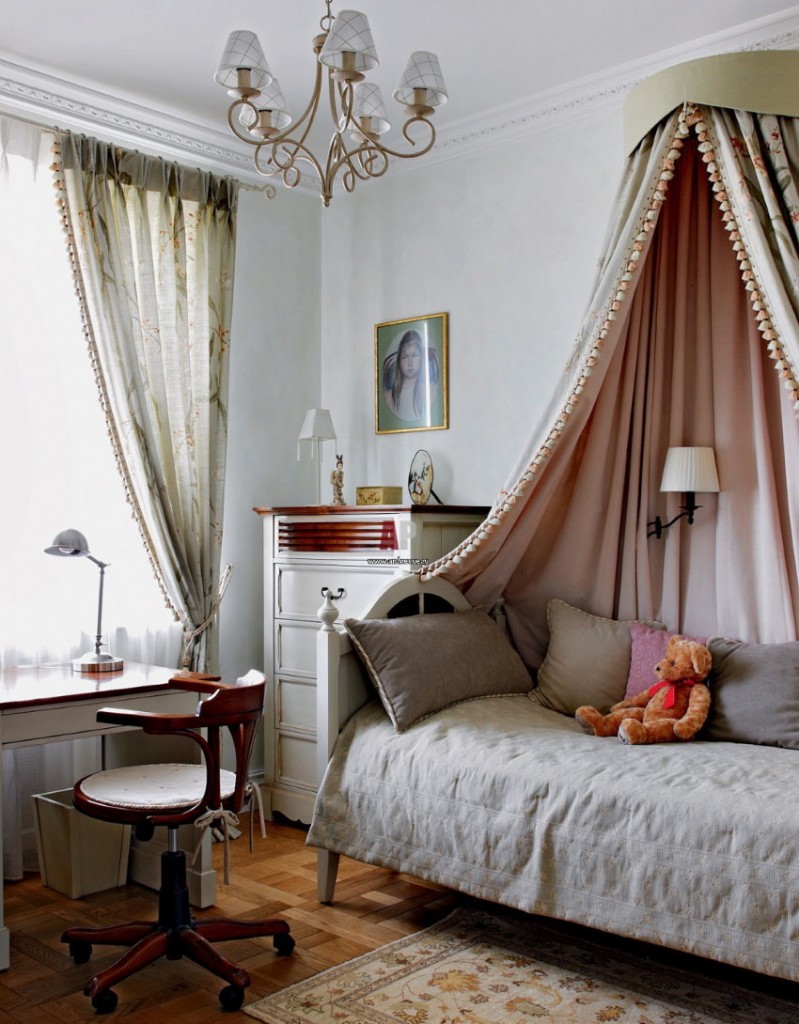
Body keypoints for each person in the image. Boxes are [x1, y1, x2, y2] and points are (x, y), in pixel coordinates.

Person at [382, 329, 439, 423]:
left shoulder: (430, 391)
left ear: (422, 358)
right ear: (399, 361)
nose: (410, 363)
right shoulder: (390, 396)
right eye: (404, 357)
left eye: (414, 355)